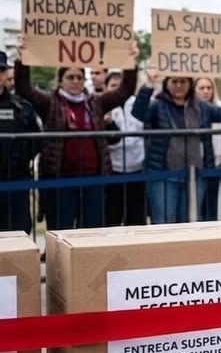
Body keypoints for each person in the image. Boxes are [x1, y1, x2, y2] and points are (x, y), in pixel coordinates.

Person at [15, 38, 138, 229]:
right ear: (60, 81)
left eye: (79, 77)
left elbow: (124, 91)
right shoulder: (50, 103)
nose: (75, 81)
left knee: (91, 232)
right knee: (61, 230)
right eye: (70, 77)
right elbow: (25, 90)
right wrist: (22, 58)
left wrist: (130, 62)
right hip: (60, 179)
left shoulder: (95, 103)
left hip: (93, 179)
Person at [133, 66, 221, 224]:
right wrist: (149, 84)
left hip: (195, 176)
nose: (179, 85)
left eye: (183, 81)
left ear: (190, 84)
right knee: (164, 223)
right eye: (174, 81)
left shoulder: (202, 107)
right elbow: (138, 112)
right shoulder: (158, 105)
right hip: (163, 175)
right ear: (166, 84)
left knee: (190, 223)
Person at [0, 50, 40, 232]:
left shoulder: (21, 107)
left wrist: (20, 159)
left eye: (1, 71)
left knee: (19, 232)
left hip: (15, 180)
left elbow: (36, 139)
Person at [103, 70, 147, 226]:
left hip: (137, 170)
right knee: (112, 219)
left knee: (136, 220)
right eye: (113, 86)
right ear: (106, 87)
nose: (118, 90)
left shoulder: (136, 104)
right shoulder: (102, 106)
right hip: (113, 171)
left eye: (120, 86)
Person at [195, 76, 221, 220]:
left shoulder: (220, 108)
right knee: (198, 206)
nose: (206, 91)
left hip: (218, 163)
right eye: (202, 88)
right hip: (197, 164)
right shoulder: (190, 110)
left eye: (209, 88)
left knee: (215, 205)